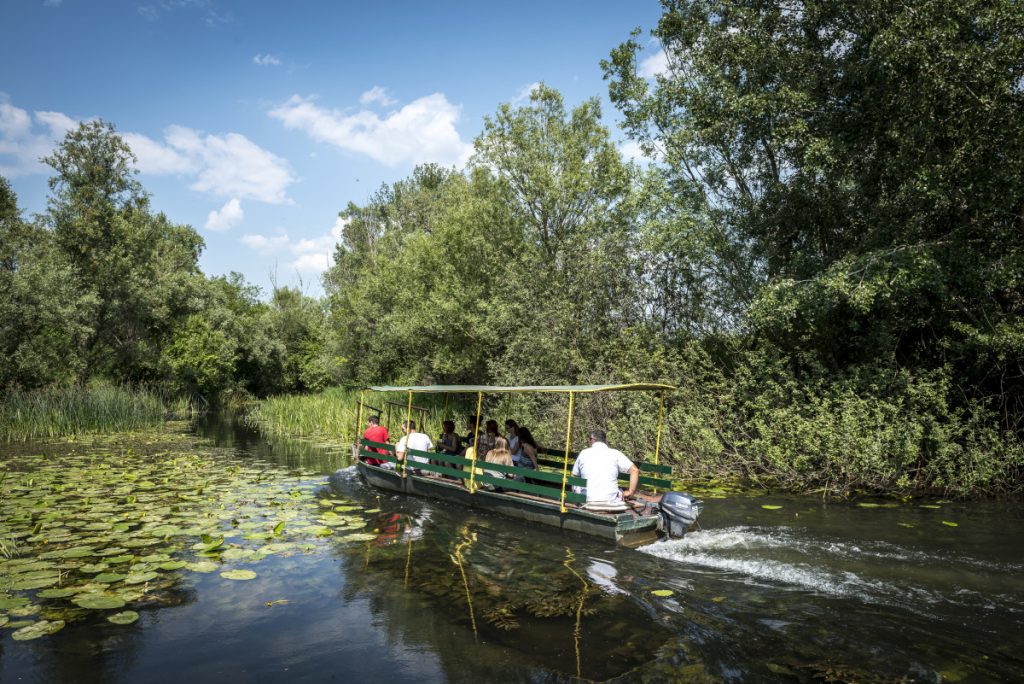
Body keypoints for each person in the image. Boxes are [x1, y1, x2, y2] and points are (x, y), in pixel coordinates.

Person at [571, 429, 639, 503]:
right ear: (605, 440)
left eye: (590, 439)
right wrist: (630, 492)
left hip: (587, 499)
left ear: (593, 440)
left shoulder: (583, 453)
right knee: (619, 490)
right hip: (610, 499)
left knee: (577, 483)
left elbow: (574, 475)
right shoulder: (615, 453)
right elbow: (634, 470)